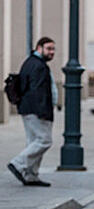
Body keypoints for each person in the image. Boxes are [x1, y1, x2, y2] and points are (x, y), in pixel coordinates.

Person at [7, 37, 57, 187]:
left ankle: (31, 175)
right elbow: (38, 91)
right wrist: (43, 112)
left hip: (28, 108)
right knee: (44, 140)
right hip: (36, 109)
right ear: (39, 48)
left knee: (33, 141)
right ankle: (19, 163)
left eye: (53, 49)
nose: (52, 52)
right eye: (49, 48)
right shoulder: (39, 66)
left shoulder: (31, 62)